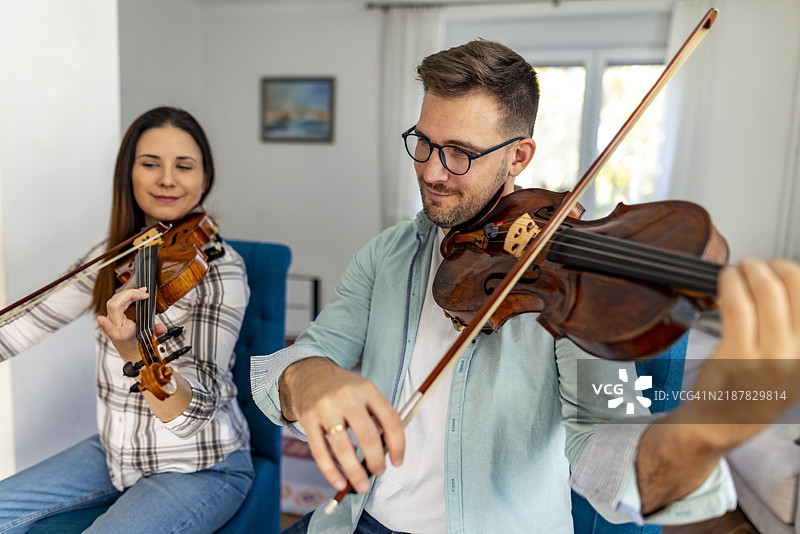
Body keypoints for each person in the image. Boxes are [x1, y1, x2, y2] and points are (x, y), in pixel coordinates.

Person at [252, 40, 800, 533]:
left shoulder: (572, 287)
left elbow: (603, 452)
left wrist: (701, 431)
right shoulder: (389, 253)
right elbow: (293, 361)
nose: (432, 172)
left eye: (461, 153)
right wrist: (310, 375)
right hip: (355, 521)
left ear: (519, 156)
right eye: (423, 142)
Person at [0, 106, 254, 534]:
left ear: (204, 177)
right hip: (116, 451)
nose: (167, 179)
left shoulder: (221, 271)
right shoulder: (117, 255)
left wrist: (136, 351)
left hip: (199, 463)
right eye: (150, 164)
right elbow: (28, 322)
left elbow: (198, 408)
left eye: (184, 166)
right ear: (128, 175)